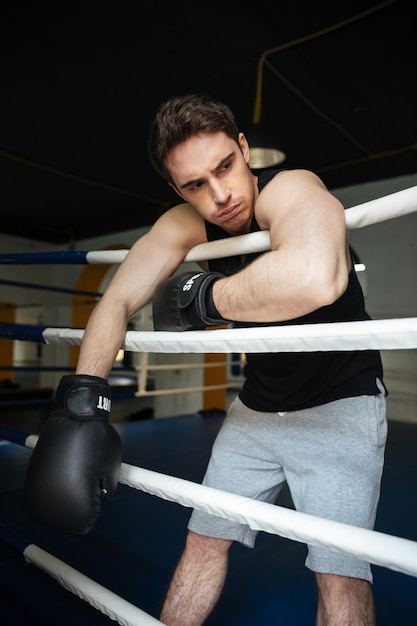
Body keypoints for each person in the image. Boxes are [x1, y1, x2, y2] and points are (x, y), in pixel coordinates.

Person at [25, 93, 387, 625]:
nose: (221, 195)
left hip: (341, 404)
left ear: (244, 149)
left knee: (339, 572)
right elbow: (118, 300)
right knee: (202, 540)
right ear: (176, 189)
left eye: (226, 167)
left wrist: (204, 299)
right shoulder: (183, 224)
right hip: (257, 409)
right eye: (195, 184)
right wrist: (83, 399)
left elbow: (318, 277)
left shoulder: (289, 189)